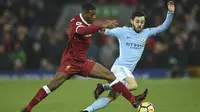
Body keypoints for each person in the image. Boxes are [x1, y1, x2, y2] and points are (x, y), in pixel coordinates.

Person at [20, 2, 148, 112]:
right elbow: (81, 31)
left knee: (110, 76)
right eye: (92, 14)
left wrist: (104, 26)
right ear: (85, 13)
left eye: (95, 14)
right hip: (70, 62)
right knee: (52, 85)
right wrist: (100, 25)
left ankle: (133, 100)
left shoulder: (88, 22)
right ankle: (28, 108)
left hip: (82, 62)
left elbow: (93, 29)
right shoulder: (76, 22)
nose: (94, 16)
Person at [82, 1, 175, 112]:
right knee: (133, 85)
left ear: (144, 22)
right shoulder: (123, 31)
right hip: (120, 67)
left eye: (142, 22)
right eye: (137, 21)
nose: (139, 24)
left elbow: (163, 27)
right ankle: (104, 87)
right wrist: (98, 27)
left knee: (111, 97)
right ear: (132, 21)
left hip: (126, 71)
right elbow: (104, 31)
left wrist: (170, 12)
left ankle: (87, 110)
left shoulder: (147, 32)